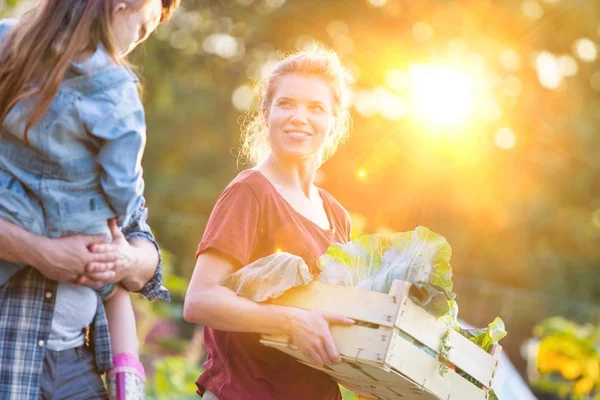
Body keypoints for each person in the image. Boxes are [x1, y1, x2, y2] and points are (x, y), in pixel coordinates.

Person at [0, 0, 178, 398]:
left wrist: (123, 259)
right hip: (10, 351)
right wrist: (41, 251)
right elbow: (123, 198)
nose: (133, 47)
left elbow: (136, 234)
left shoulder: (104, 101)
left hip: (75, 362)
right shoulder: (10, 48)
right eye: (142, 30)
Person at [184, 47, 355, 400]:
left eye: (316, 108)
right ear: (266, 114)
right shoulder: (251, 192)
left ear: (334, 121)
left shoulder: (337, 215)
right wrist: (290, 321)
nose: (299, 117)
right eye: (286, 103)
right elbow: (200, 300)